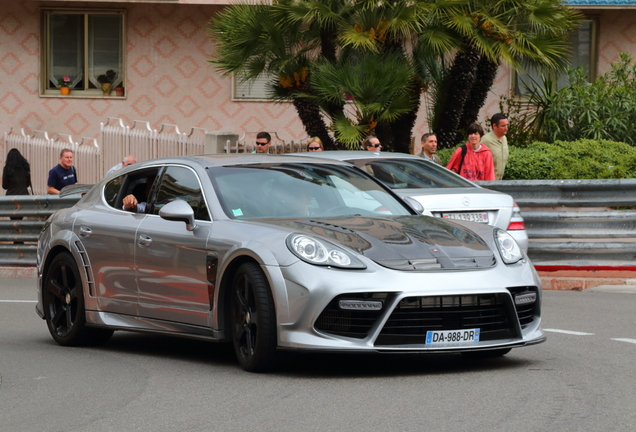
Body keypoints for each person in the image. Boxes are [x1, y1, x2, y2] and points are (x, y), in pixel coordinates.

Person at [3, 148, 32, 232]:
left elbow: (5, 186)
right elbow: (27, 184)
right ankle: (19, 238)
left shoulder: (7, 169)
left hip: (11, 198)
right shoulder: (25, 167)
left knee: (14, 220)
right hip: (24, 197)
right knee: (20, 219)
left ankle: (17, 239)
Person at [481, 113, 509, 180]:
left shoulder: (504, 138)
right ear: (494, 126)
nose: (506, 128)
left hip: (499, 181)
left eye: (507, 125)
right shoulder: (485, 140)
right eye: (503, 126)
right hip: (488, 182)